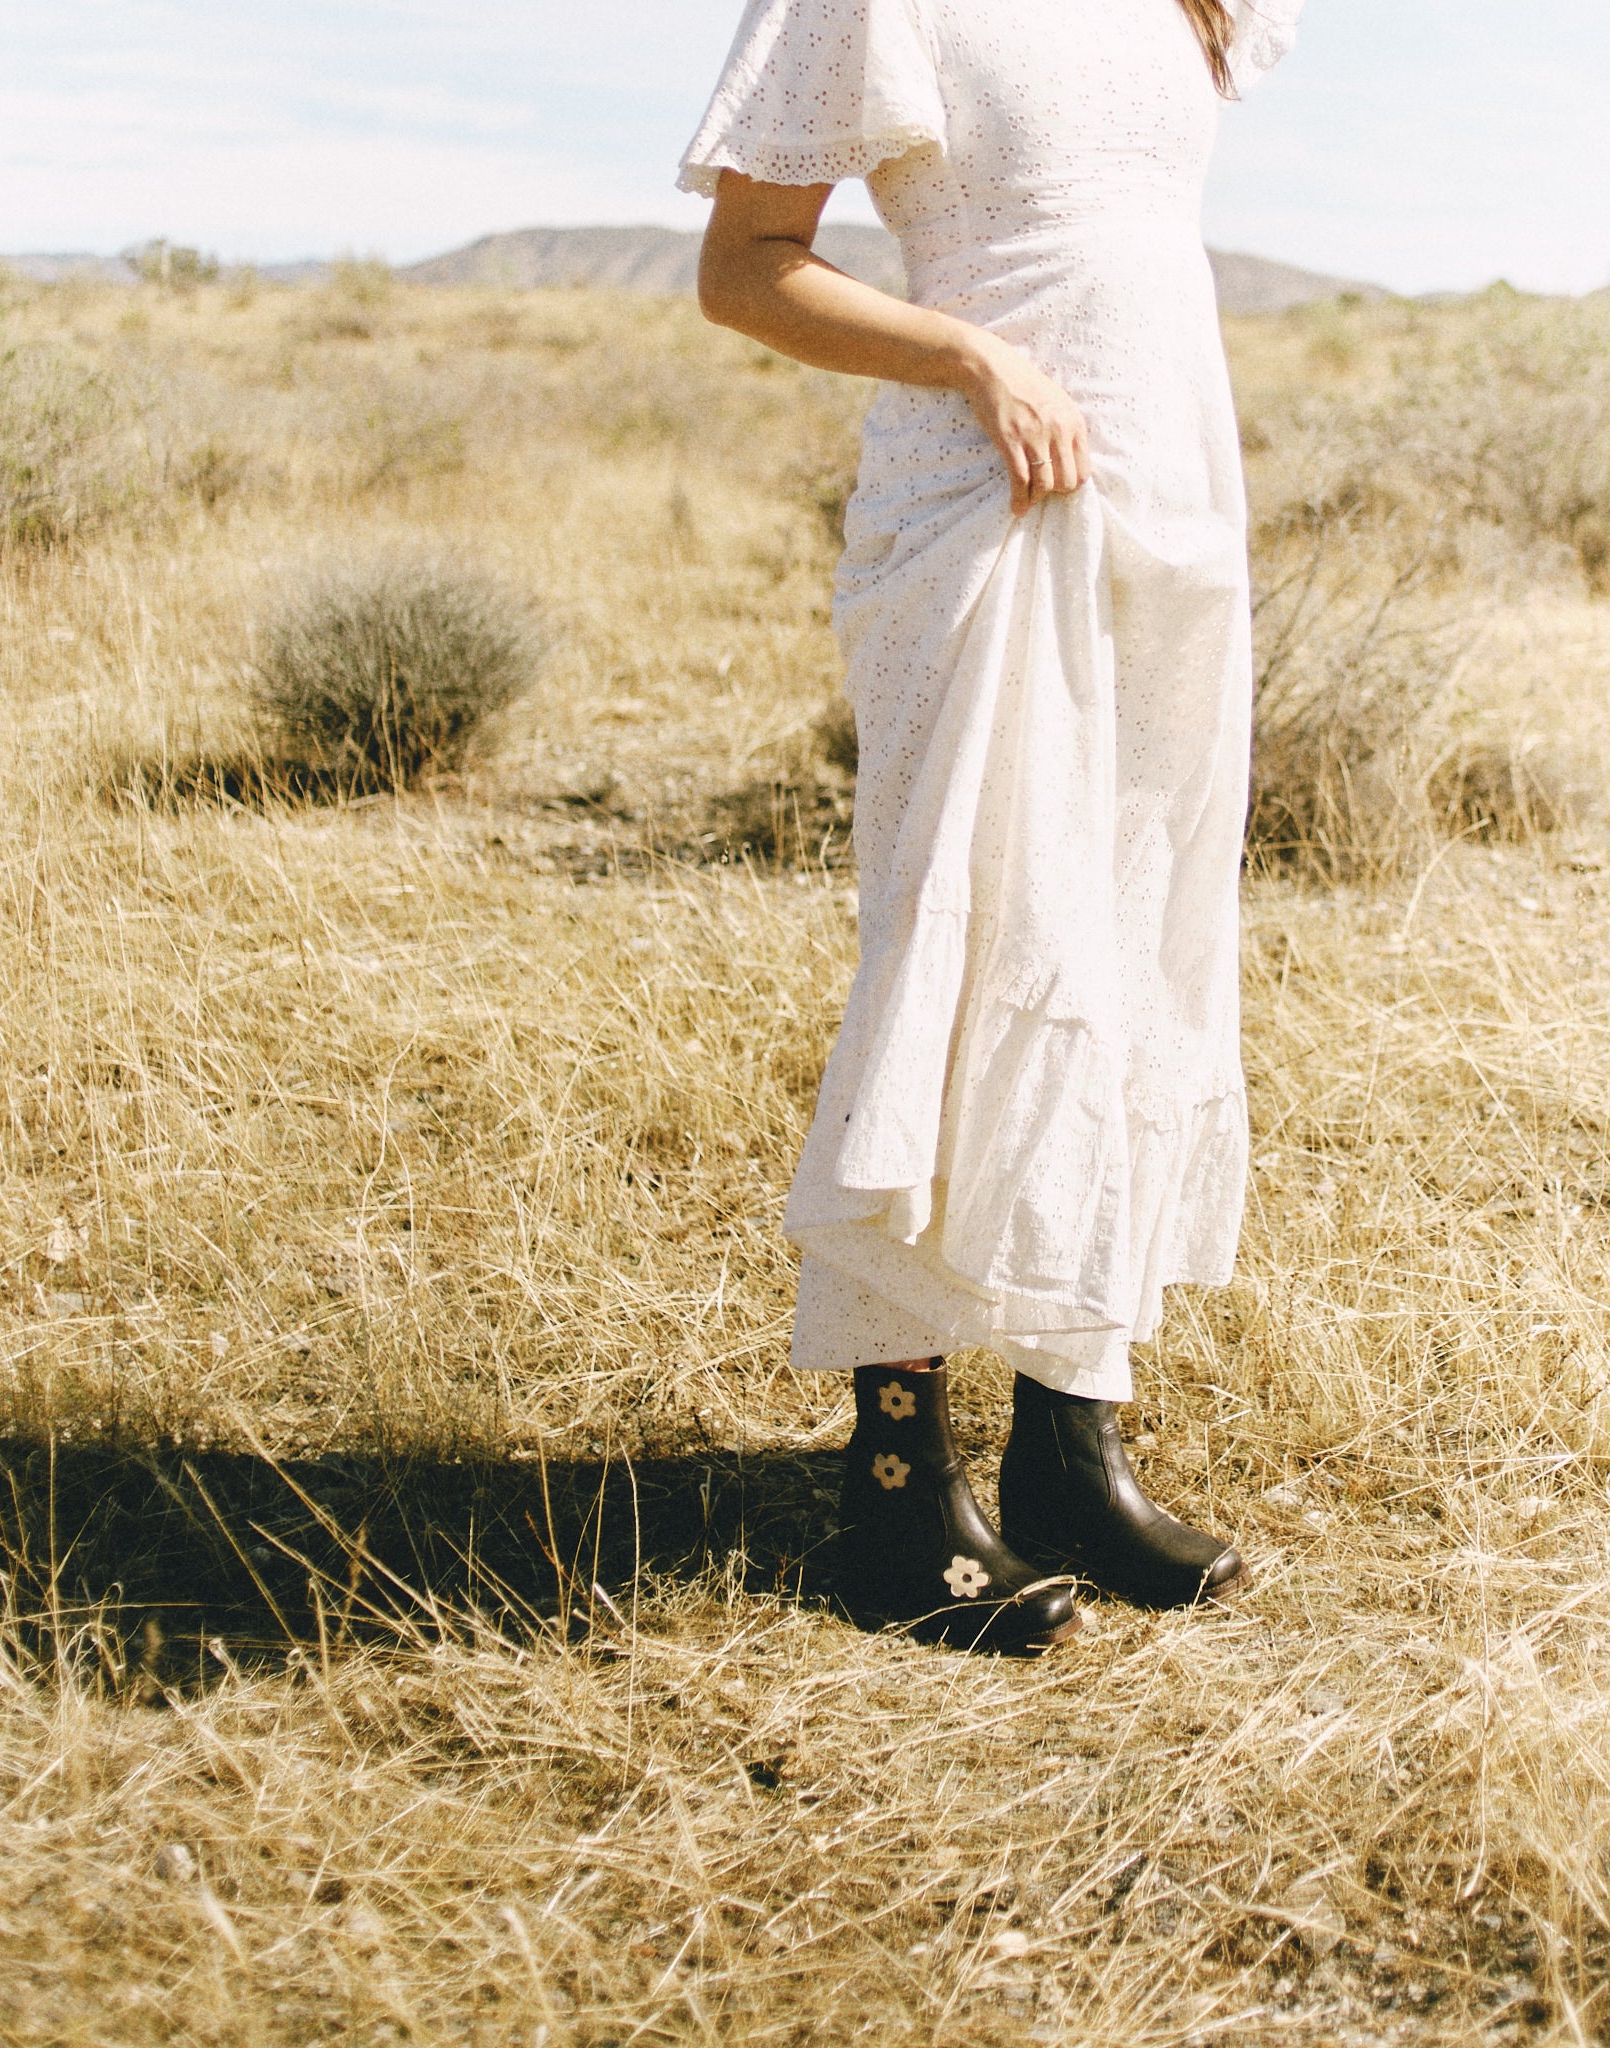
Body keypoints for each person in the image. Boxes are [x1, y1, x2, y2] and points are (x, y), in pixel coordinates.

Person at [680, 0, 1303, 1652]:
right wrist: (971, 356)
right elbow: (744, 269)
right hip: (983, 506)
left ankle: (1067, 1458)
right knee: (960, 963)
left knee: (1136, 951)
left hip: (1169, 504)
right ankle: (897, 1506)